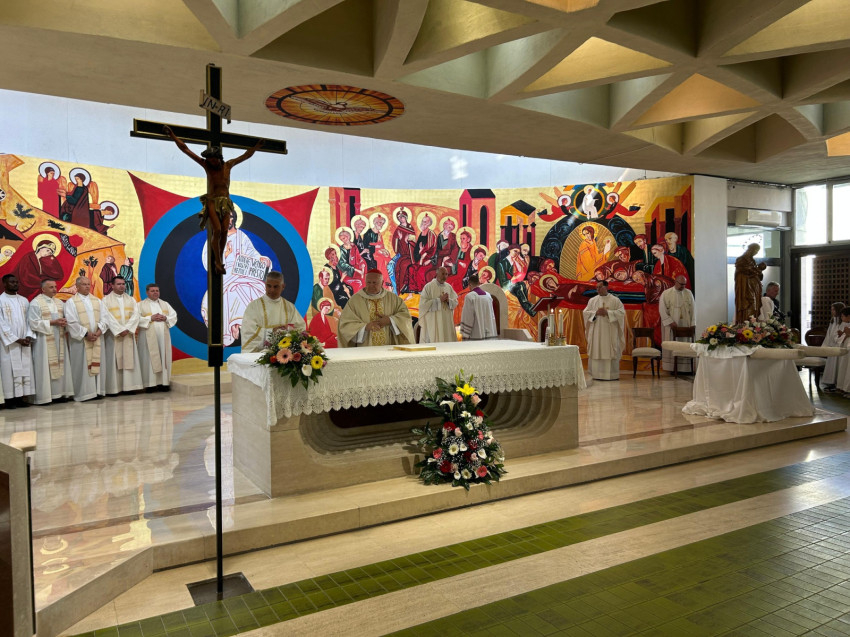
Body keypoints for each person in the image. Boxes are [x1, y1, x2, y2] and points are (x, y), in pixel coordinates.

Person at [165, 125, 262, 275]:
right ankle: (217, 260)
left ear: (218, 158)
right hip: (212, 201)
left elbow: (245, 156)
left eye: (213, 160)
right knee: (216, 230)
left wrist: (256, 147)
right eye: (209, 160)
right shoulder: (207, 166)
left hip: (226, 202)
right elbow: (186, 150)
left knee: (224, 231)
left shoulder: (228, 165)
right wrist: (172, 135)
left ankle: (220, 259)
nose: (212, 163)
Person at [338, 269, 414, 347]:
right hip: (365, 348)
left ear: (382, 283)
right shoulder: (355, 300)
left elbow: (405, 317)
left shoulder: (393, 299)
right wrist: (365, 327)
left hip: (388, 347)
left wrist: (390, 320)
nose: (371, 285)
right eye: (369, 282)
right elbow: (345, 324)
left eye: (374, 283)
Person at [28, 279, 73, 404]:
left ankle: (60, 393)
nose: (55, 289)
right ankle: (45, 396)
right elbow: (33, 323)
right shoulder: (36, 303)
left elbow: (66, 318)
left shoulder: (59, 302)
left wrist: (64, 322)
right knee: (45, 366)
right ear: (43, 289)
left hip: (59, 337)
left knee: (60, 364)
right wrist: (53, 322)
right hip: (43, 340)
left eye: (55, 287)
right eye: (51, 287)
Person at [240, 271, 305, 353]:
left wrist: (287, 330)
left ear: (283, 286)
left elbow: (300, 329)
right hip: (259, 354)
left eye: (276, 286)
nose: (272, 290)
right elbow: (248, 332)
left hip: (284, 355)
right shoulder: (253, 307)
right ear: (265, 285)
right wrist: (271, 331)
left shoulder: (290, 307)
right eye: (269, 286)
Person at [65, 276, 107, 401]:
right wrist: (86, 334)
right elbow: (71, 322)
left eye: (88, 284)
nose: (87, 286)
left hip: (97, 338)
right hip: (81, 341)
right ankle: (84, 393)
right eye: (84, 284)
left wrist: (98, 332)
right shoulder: (71, 302)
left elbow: (105, 318)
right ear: (77, 287)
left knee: (97, 362)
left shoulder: (97, 301)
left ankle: (97, 391)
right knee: (81, 366)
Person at [102, 277, 143, 395]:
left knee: (129, 360)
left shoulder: (131, 300)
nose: (122, 286)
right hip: (113, 336)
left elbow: (136, 315)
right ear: (112, 286)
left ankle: (129, 387)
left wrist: (128, 329)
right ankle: (114, 389)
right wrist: (119, 330)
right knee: (113, 361)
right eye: (119, 284)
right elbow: (107, 316)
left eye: (123, 284)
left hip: (128, 335)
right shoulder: (105, 300)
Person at [0, 274, 35, 407]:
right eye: (12, 282)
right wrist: (16, 339)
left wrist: (28, 336)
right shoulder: (1, 300)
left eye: (16, 282)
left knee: (24, 369)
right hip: (8, 344)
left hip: (24, 341)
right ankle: (10, 400)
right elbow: (1, 324)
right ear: (4, 284)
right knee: (9, 371)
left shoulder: (24, 300)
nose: (15, 284)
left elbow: (29, 320)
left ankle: (22, 398)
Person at [137, 283, 179, 391]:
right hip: (147, 338)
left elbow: (173, 316)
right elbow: (135, 319)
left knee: (163, 358)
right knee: (149, 359)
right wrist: (150, 318)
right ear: (147, 292)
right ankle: (150, 384)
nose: (155, 293)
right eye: (152, 291)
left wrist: (165, 318)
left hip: (163, 338)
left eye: (157, 291)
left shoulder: (165, 304)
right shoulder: (140, 305)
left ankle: (163, 383)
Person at [582, 280, 626, 381]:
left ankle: (611, 375)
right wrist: (595, 313)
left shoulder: (615, 300)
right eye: (597, 287)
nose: (597, 289)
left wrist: (608, 313)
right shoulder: (592, 300)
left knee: (609, 350)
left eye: (600, 287)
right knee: (596, 348)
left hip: (610, 331)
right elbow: (585, 313)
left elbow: (621, 313)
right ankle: (596, 374)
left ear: (606, 287)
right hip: (596, 331)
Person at [659, 275, 696, 372]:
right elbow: (662, 309)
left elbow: (693, 309)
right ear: (675, 282)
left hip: (686, 325)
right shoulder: (666, 293)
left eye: (684, 284)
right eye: (681, 284)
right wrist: (670, 321)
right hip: (672, 325)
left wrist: (693, 323)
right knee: (672, 344)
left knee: (685, 344)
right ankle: (671, 368)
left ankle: (685, 369)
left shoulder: (688, 293)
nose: (683, 286)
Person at [418, 267, 458, 343]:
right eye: (443, 274)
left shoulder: (448, 287)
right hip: (434, 321)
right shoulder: (428, 287)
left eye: (446, 274)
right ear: (437, 274)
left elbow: (455, 302)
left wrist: (448, 301)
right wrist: (439, 300)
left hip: (446, 321)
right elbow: (423, 306)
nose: (445, 276)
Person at [460, 274, 497, 341]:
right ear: (479, 283)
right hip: (489, 334)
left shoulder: (470, 297)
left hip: (476, 334)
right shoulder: (488, 296)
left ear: (469, 284)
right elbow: (492, 316)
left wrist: (465, 334)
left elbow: (467, 317)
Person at [734, 243, 766, 323]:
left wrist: (759, 271)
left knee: (754, 306)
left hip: (754, 286)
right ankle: (745, 323)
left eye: (757, 251)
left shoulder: (753, 261)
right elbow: (745, 270)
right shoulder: (741, 259)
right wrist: (756, 270)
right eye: (756, 250)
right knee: (748, 304)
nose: (756, 253)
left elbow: (758, 274)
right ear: (751, 249)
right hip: (745, 286)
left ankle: (752, 323)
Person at [822, 302, 846, 392]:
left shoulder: (842, 321)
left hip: (837, 346)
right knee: (831, 366)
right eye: (831, 309)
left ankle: (836, 383)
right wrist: (826, 346)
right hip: (831, 345)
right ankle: (830, 383)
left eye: (833, 310)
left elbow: (839, 334)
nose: (832, 311)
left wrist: (837, 340)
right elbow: (829, 334)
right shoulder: (833, 320)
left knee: (836, 366)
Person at [833, 308, 850, 396]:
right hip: (846, 348)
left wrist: (847, 334)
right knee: (844, 367)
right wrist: (843, 335)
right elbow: (842, 337)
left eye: (843, 316)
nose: (841, 318)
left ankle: (847, 388)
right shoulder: (844, 325)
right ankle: (843, 387)